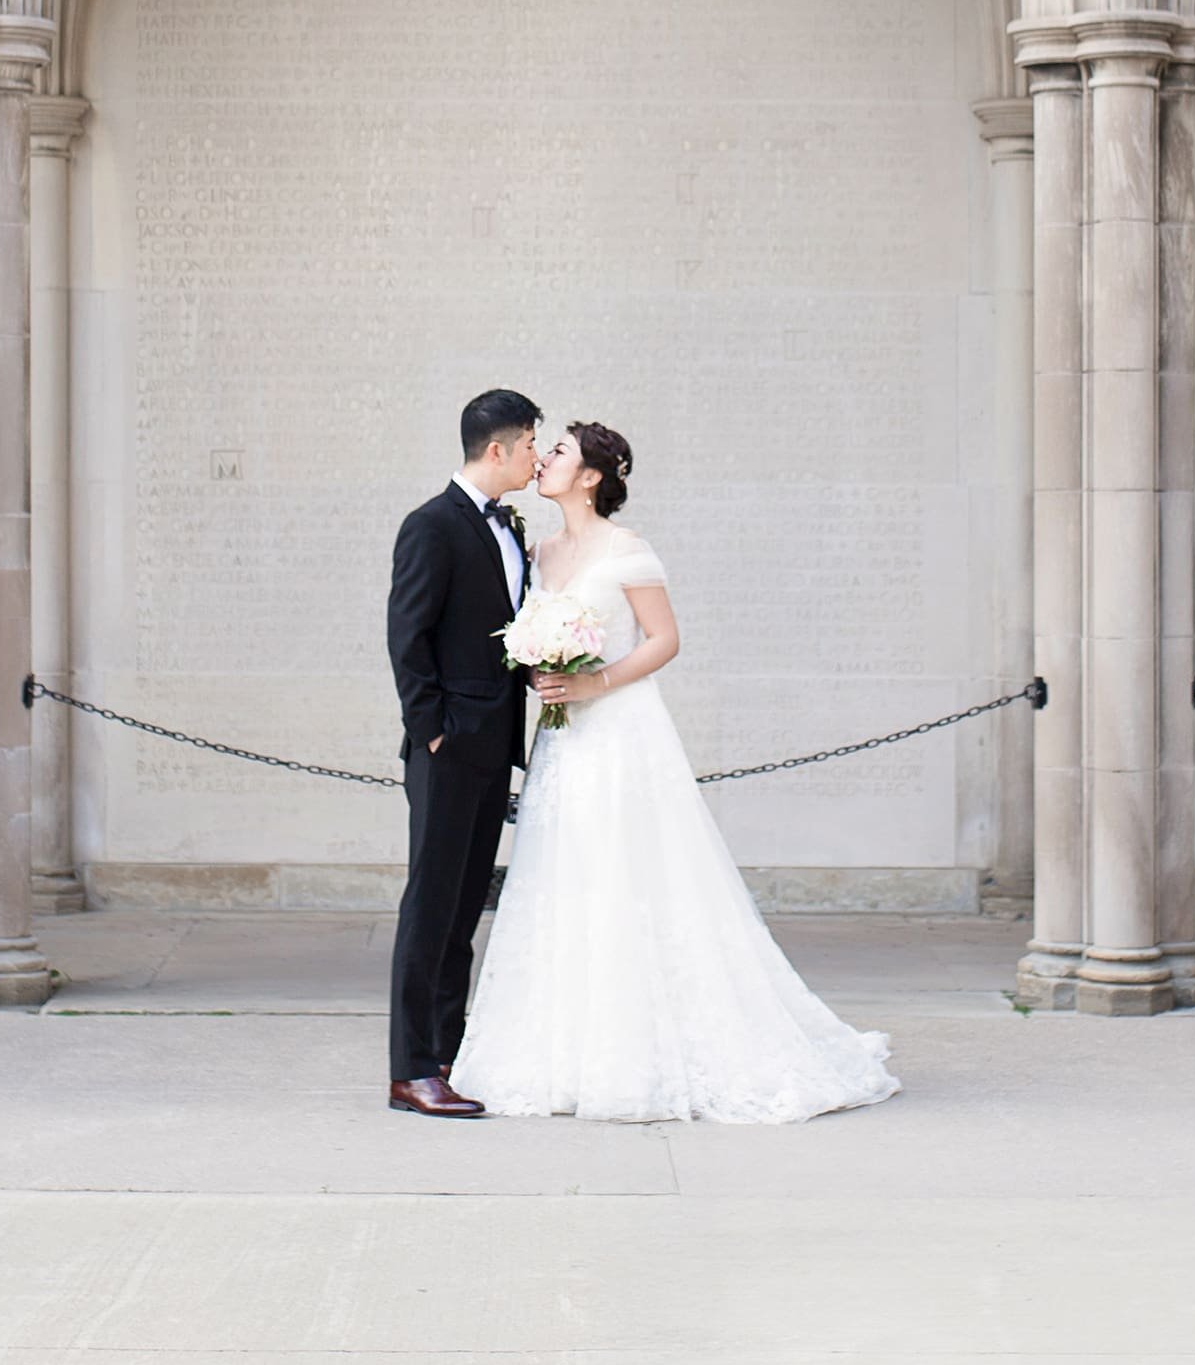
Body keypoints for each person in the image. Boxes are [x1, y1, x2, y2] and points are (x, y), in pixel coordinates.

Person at [449, 421, 899, 1124]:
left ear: (592, 476)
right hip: (563, 744)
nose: (544, 460)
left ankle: (643, 1051)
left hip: (621, 735)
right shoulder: (537, 552)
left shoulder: (628, 551)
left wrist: (596, 685)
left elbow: (665, 639)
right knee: (566, 876)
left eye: (559, 452)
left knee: (631, 876)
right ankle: (564, 1048)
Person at [384, 387, 539, 1118]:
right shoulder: (432, 525)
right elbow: (407, 636)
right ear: (499, 449)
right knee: (431, 907)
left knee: (461, 913)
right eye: (532, 443)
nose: (538, 457)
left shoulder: (507, 526)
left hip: (492, 747)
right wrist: (432, 730)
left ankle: (447, 1052)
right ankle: (411, 1069)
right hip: (448, 749)